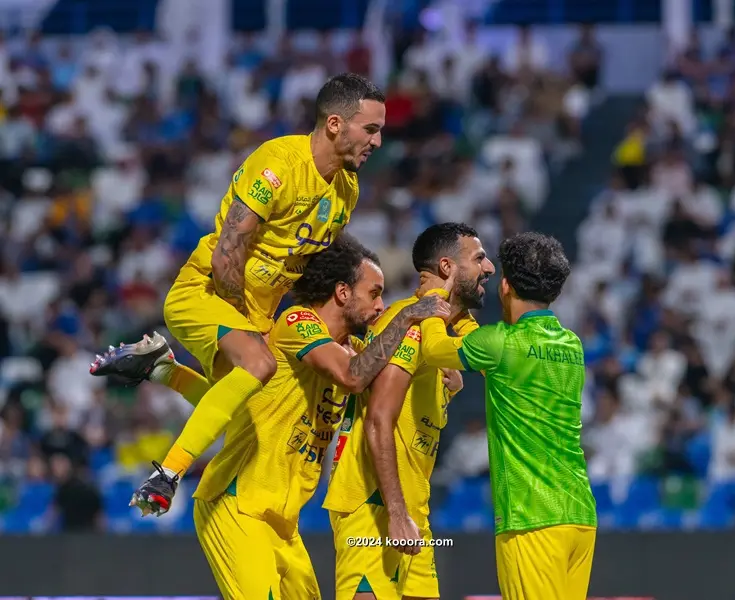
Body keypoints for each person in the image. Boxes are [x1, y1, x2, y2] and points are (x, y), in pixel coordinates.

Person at [89, 234, 453, 600]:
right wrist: (407, 315)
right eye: (374, 293)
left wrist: (436, 373)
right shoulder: (298, 323)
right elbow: (353, 376)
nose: (380, 306)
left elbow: (241, 410)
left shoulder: (354, 350)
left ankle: (163, 368)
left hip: (283, 523)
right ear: (343, 293)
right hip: (238, 505)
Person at [93, 73, 386, 514]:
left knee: (258, 414)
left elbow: (312, 270)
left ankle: (162, 369)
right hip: (204, 291)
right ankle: (166, 475)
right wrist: (248, 331)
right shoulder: (278, 163)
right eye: (371, 129)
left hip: (258, 314)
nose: (378, 142)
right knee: (257, 365)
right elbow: (227, 253)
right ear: (333, 124)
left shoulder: (347, 190)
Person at [416, 232, 597, 600]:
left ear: (506, 286)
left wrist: (433, 299)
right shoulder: (572, 345)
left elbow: (435, 350)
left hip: (530, 518)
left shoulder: (500, 343)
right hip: (579, 516)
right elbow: (497, 366)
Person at [324, 223, 495, 600]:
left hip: (412, 509)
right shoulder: (410, 323)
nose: (490, 269)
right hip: (374, 508)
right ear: (447, 268)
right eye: (479, 258)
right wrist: (397, 514)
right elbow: (378, 419)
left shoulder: (441, 329)